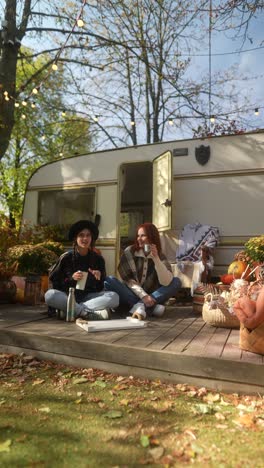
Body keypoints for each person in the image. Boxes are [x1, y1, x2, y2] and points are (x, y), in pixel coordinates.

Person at [45, 220, 119, 320]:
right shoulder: (66, 258)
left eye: (88, 235)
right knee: (50, 295)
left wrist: (98, 277)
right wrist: (72, 278)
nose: (85, 238)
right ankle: (85, 312)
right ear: (75, 238)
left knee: (114, 297)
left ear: (91, 238)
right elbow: (55, 282)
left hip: (88, 298)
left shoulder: (98, 259)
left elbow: (100, 287)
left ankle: (73, 311)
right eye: (81, 235)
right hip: (68, 296)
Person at [104, 222, 181, 319]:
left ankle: (139, 306)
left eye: (143, 235)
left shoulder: (160, 256)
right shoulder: (130, 252)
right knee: (109, 280)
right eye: (138, 236)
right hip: (132, 293)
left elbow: (166, 282)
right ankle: (151, 308)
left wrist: (156, 259)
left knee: (176, 282)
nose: (139, 239)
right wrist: (144, 297)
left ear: (152, 237)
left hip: (152, 295)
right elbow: (129, 280)